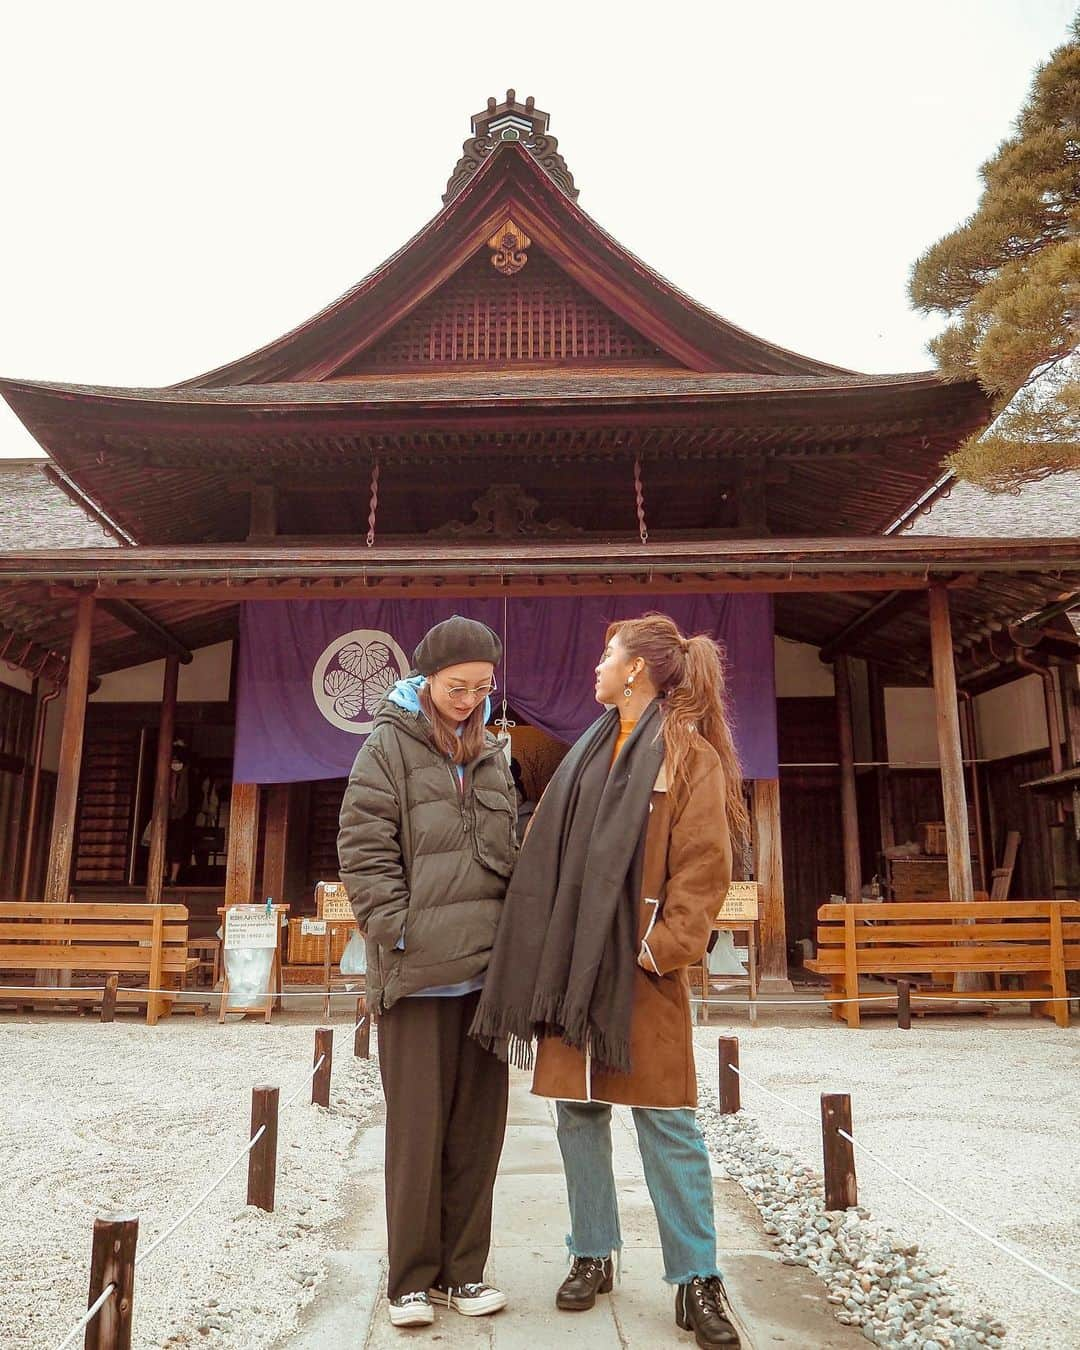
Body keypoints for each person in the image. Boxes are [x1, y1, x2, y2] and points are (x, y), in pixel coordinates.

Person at [472, 614, 749, 1349]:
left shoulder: (687, 757)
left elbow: (703, 868)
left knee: (668, 1122)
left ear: (636, 670)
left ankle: (696, 1274)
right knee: (578, 1115)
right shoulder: (585, 755)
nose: (595, 665)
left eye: (605, 653)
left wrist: (660, 949)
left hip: (639, 972)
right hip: (573, 966)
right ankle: (591, 1251)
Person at [338, 616, 517, 1329]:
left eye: (482, 687)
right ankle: (410, 1278)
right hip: (417, 975)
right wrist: (398, 930)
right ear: (425, 679)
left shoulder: (496, 753)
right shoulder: (386, 745)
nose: (469, 698)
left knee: (478, 1131)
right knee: (417, 1131)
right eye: (455, 686)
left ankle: (464, 1273)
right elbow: (363, 845)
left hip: (487, 973)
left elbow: (508, 851)